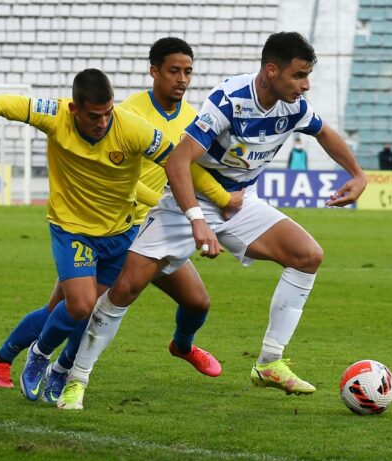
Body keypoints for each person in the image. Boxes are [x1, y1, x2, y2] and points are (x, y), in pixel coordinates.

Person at [57, 31, 368, 410]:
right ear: (272, 70)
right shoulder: (229, 100)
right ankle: (76, 378)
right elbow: (177, 161)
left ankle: (269, 362)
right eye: (299, 75)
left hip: (239, 202)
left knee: (308, 255)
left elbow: (325, 133)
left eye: (307, 76)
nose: (306, 85)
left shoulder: (294, 107)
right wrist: (196, 220)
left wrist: (358, 174)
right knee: (125, 289)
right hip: (188, 203)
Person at [0, 64, 235, 403]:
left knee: (164, 304)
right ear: (75, 109)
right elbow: (3, 102)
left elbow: (180, 165)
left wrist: (221, 199)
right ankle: (30, 358)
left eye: (107, 114)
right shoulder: (61, 114)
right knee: (79, 306)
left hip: (132, 231)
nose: (102, 122)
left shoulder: (143, 125)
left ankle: (56, 366)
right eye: (94, 116)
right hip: (75, 230)